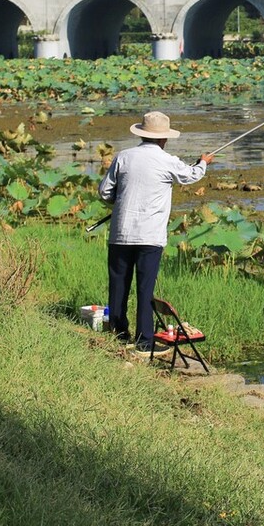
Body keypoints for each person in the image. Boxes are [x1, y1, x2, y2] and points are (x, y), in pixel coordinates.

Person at [97, 111, 214, 351]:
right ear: (164, 139)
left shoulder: (123, 157)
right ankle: (144, 342)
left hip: (121, 233)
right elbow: (191, 175)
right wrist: (203, 162)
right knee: (145, 288)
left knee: (118, 284)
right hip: (149, 236)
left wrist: (120, 202)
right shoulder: (167, 160)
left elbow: (104, 192)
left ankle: (118, 334)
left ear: (142, 134)